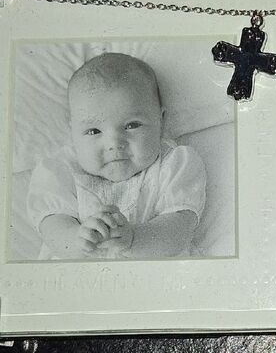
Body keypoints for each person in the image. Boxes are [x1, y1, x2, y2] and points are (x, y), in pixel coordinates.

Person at [27, 52, 206, 260]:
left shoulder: (175, 164)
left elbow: (179, 230)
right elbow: (51, 229)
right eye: (93, 131)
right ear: (72, 131)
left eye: (132, 125)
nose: (114, 144)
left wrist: (135, 239)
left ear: (161, 121)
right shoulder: (59, 171)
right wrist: (77, 239)